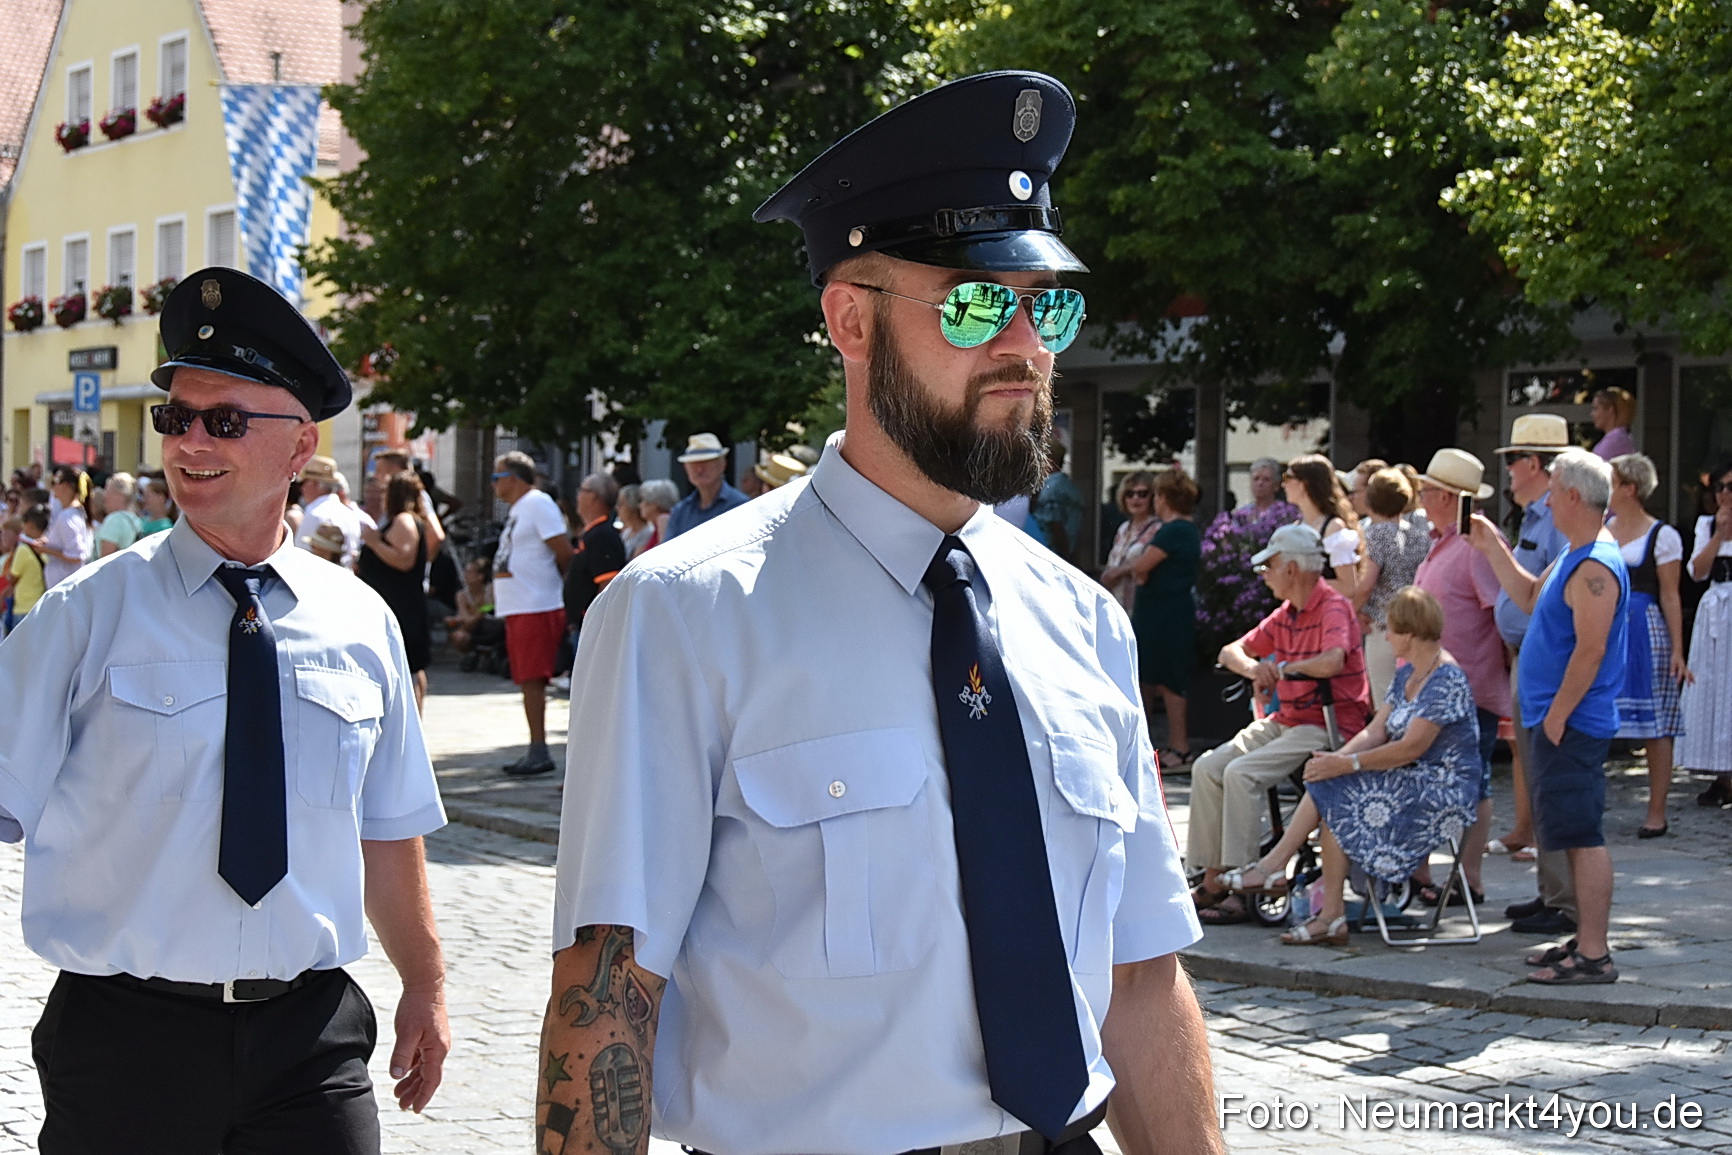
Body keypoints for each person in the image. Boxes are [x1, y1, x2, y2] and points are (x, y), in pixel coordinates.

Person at [540, 72, 1221, 1155]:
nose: (1022, 347)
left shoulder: (1083, 622)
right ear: (849, 320)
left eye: (1044, 304)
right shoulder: (684, 613)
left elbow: (1140, 977)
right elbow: (610, 988)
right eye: (974, 302)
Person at [0, 266, 448, 1150]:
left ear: (298, 443)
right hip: (125, 1044)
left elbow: (389, 828)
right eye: (176, 418)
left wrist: (426, 984)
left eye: (224, 420)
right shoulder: (83, 615)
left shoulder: (360, 619)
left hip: (309, 1045)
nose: (189, 441)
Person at [1224, 588, 1482, 946]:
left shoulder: (1446, 678)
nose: (1385, 636)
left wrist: (1349, 763)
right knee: (1330, 787)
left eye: (1389, 629)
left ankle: (1278, 871)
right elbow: (1376, 731)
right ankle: (1325, 913)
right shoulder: (1407, 674)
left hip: (1443, 786)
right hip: (1411, 775)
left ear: (1409, 633)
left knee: (1336, 785)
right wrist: (1335, 760)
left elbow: (1411, 747)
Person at [1471, 447, 1629, 983]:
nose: (1547, 496)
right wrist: (1493, 548)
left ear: (1573, 497)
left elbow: (1592, 649)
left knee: (1583, 837)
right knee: (1569, 833)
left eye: (1554, 486)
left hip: (1572, 723)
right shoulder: (1575, 553)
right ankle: (1584, 940)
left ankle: (1594, 955)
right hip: (1555, 718)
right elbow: (1530, 596)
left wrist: (1558, 714)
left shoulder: (1595, 565)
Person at [1189, 523, 1372, 925]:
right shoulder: (1286, 613)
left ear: (1291, 568)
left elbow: (1333, 660)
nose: (1264, 575)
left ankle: (1246, 884)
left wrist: (1284, 670)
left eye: (1268, 567)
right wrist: (1256, 669)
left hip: (1330, 723)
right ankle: (1214, 873)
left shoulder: (1332, 606)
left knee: (1240, 773)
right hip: (1286, 718)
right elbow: (1229, 651)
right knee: (1206, 766)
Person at [1489, 414, 1576, 930]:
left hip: (1548, 659)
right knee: (1539, 778)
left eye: (1513, 461)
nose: (1510, 473)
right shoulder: (1536, 515)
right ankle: (1551, 893)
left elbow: (1541, 593)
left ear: (1535, 463)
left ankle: (1564, 901)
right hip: (1529, 656)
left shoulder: (1559, 517)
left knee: (1552, 778)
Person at [1411, 448, 1508, 907]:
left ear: (1447, 496)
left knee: (1474, 781)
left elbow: (1503, 615)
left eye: (1427, 490)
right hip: (1437, 687)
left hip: (1469, 689)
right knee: (1431, 776)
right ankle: (1425, 873)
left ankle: (1469, 879)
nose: (1421, 496)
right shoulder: (1443, 540)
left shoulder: (1477, 545)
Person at [1606, 453, 1690, 837]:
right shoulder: (1603, 528)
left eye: (1612, 481)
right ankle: (1593, 806)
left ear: (1630, 488)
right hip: (1607, 626)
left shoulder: (1662, 535)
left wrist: (1677, 650)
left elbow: (1670, 595)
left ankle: (1656, 811)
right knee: (1598, 717)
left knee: (1656, 723)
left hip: (1645, 628)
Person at [492, 450, 572, 776]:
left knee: (533, 680)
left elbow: (563, 552)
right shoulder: (520, 509)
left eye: (497, 477)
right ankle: (535, 747)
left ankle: (539, 749)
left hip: (537, 603)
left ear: (513, 478)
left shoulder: (538, 503)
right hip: (520, 605)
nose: (493, 485)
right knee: (527, 680)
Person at [1123, 471, 1202, 768]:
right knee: (1149, 677)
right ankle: (1157, 744)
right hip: (1159, 612)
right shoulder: (1182, 530)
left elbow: (1141, 568)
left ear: (1164, 498)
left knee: (1169, 679)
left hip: (1166, 614)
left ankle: (1179, 746)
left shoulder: (1175, 530)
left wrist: (1139, 570)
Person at [1352, 467, 1432, 703]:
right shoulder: (1419, 536)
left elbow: (1366, 585)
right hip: (1416, 627)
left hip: (1384, 628)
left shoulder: (1375, 535)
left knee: (1385, 701)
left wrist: (1351, 612)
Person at [1679, 458, 1732, 808]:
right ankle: (1721, 772)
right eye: (1720, 487)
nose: (1725, 493)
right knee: (1714, 685)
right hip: (1717, 604)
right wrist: (1719, 535)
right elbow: (1697, 571)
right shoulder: (1706, 524)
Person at [359, 472, 434, 713]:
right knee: (411, 670)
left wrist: (373, 542)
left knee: (407, 671)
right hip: (401, 606)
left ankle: (411, 731)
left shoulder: (404, 520)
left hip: (402, 609)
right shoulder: (404, 520)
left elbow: (404, 559)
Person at [561, 472, 626, 651]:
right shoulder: (593, 533)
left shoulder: (601, 535)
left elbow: (607, 583)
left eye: (582, 490)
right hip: (583, 628)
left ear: (593, 496)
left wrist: (592, 621)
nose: (578, 496)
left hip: (592, 632)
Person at [1282, 454, 1361, 600]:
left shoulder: (1333, 528)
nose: (1283, 484)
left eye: (1287, 477)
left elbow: (1349, 587)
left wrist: (1304, 582)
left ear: (1304, 484)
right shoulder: (1297, 526)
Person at [665, 433, 749, 540]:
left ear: (722, 465)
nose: (700, 469)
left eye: (706, 462)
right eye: (694, 463)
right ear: (685, 469)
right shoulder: (680, 512)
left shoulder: (740, 506)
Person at [1098, 470, 1160, 614]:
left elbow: (1146, 562)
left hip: (1142, 606)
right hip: (1117, 605)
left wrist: (1119, 572)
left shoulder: (1158, 529)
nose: (1135, 499)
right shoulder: (1123, 529)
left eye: (1142, 494)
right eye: (1129, 494)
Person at [297, 455, 367, 566]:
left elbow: (301, 555)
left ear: (313, 483)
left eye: (303, 483)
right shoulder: (349, 514)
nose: (301, 488)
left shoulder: (315, 513)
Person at [38, 466, 93, 590]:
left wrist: (46, 549)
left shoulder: (67, 517)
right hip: (65, 585)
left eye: (55, 482)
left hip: (65, 586)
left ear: (66, 486)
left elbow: (77, 555)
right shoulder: (75, 513)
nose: (52, 487)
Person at [1031, 439, 1085, 562]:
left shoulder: (1052, 489)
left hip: (1052, 557)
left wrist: (1062, 559)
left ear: (1048, 460)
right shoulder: (1068, 486)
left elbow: (1056, 527)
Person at [2, 506, 49, 630]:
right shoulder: (47, 546)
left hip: (23, 608)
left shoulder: (23, 549)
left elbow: (12, 578)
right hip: (40, 604)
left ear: (30, 524)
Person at [445, 557, 494, 654]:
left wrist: (477, 614)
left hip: (490, 626)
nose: (466, 575)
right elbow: (465, 617)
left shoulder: (491, 590)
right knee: (459, 636)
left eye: (470, 572)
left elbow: (489, 607)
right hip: (471, 626)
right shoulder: (461, 595)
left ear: (480, 576)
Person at [94, 472, 142, 557]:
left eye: (107, 491)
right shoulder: (136, 519)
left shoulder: (114, 520)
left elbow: (106, 560)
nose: (104, 496)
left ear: (119, 495)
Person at [633, 478, 679, 557]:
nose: (639, 505)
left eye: (643, 500)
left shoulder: (664, 520)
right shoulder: (656, 524)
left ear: (654, 504)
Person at [1590, 387, 1637, 462]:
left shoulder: (1615, 440)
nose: (1592, 414)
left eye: (1596, 409)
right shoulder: (1620, 437)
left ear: (1610, 410)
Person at [615, 483, 653, 558]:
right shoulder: (626, 533)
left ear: (632, 506)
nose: (617, 508)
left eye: (621, 504)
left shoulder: (647, 533)